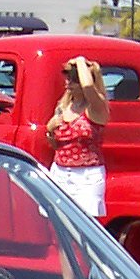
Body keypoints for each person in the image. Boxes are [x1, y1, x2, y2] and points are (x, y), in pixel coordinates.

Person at [44, 55, 110, 215]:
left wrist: (80, 61)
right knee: (58, 222)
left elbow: (88, 87)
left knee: (84, 222)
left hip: (87, 176)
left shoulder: (95, 107)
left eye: (74, 79)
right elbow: (55, 144)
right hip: (60, 172)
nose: (68, 83)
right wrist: (49, 130)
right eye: (67, 78)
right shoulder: (63, 106)